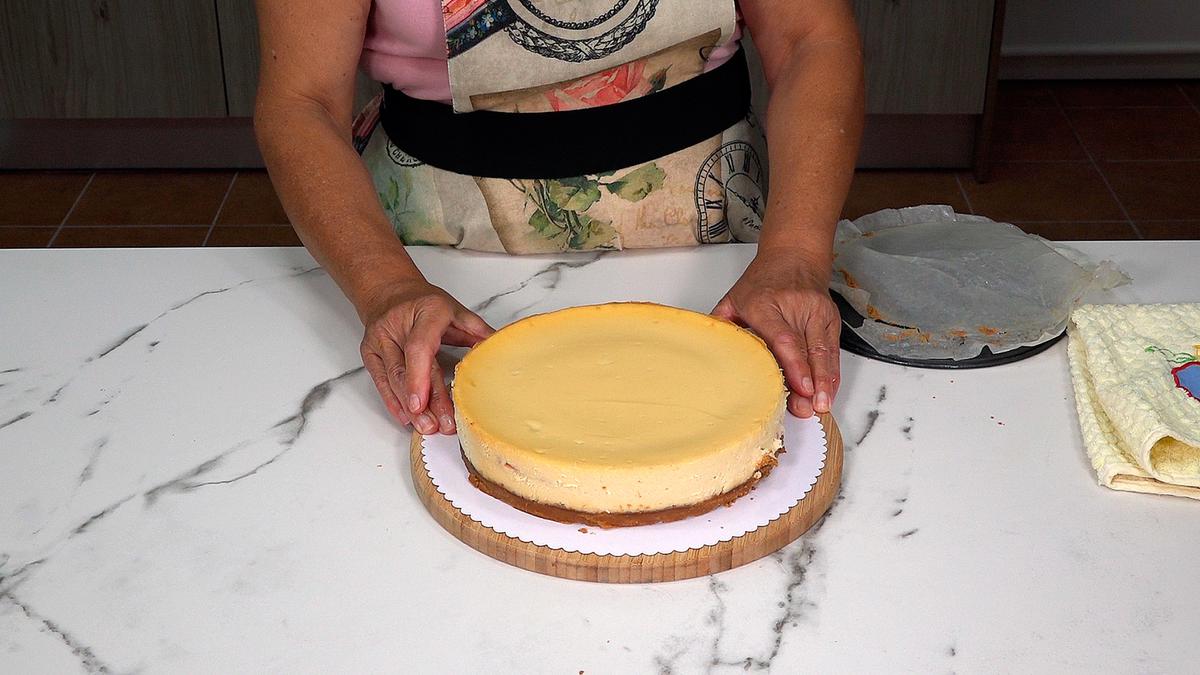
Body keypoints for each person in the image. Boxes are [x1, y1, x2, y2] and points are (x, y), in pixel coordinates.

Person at [254, 0, 864, 436]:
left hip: (721, 233)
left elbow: (812, 37)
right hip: (427, 255)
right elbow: (300, 101)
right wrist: (385, 285)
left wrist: (795, 254)